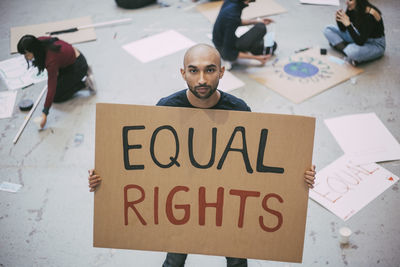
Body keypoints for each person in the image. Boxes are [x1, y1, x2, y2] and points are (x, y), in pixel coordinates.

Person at [88, 44, 316, 267]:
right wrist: (104, 178)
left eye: (210, 70)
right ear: (183, 73)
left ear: (222, 71)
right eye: (193, 70)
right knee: (174, 260)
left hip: (228, 204)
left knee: (237, 259)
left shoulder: (239, 111)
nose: (202, 80)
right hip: (180, 205)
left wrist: (297, 177)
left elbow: (257, 164)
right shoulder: (166, 109)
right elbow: (146, 166)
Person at [17, 35, 96, 128]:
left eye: (27, 54)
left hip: (78, 66)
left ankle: (84, 83)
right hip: (70, 59)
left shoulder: (51, 60)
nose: (26, 57)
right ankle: (80, 75)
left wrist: (44, 113)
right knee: (58, 85)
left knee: (56, 96)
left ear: (34, 50)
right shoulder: (38, 42)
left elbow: (51, 87)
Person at [212, 0, 277, 66]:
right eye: (249, 2)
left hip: (220, 40)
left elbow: (235, 21)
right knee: (261, 28)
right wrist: (257, 58)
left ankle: (251, 48)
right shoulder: (233, 14)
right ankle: (249, 50)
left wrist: (257, 21)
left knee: (271, 43)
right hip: (224, 49)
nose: (248, 4)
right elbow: (228, 53)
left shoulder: (230, 2)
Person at [323, 0, 385, 65]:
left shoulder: (369, 15)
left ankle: (343, 47)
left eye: (350, 0)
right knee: (328, 29)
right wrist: (339, 19)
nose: (346, 2)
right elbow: (343, 29)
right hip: (358, 35)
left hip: (374, 44)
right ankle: (349, 52)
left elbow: (360, 41)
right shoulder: (352, 7)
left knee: (352, 51)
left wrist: (349, 25)